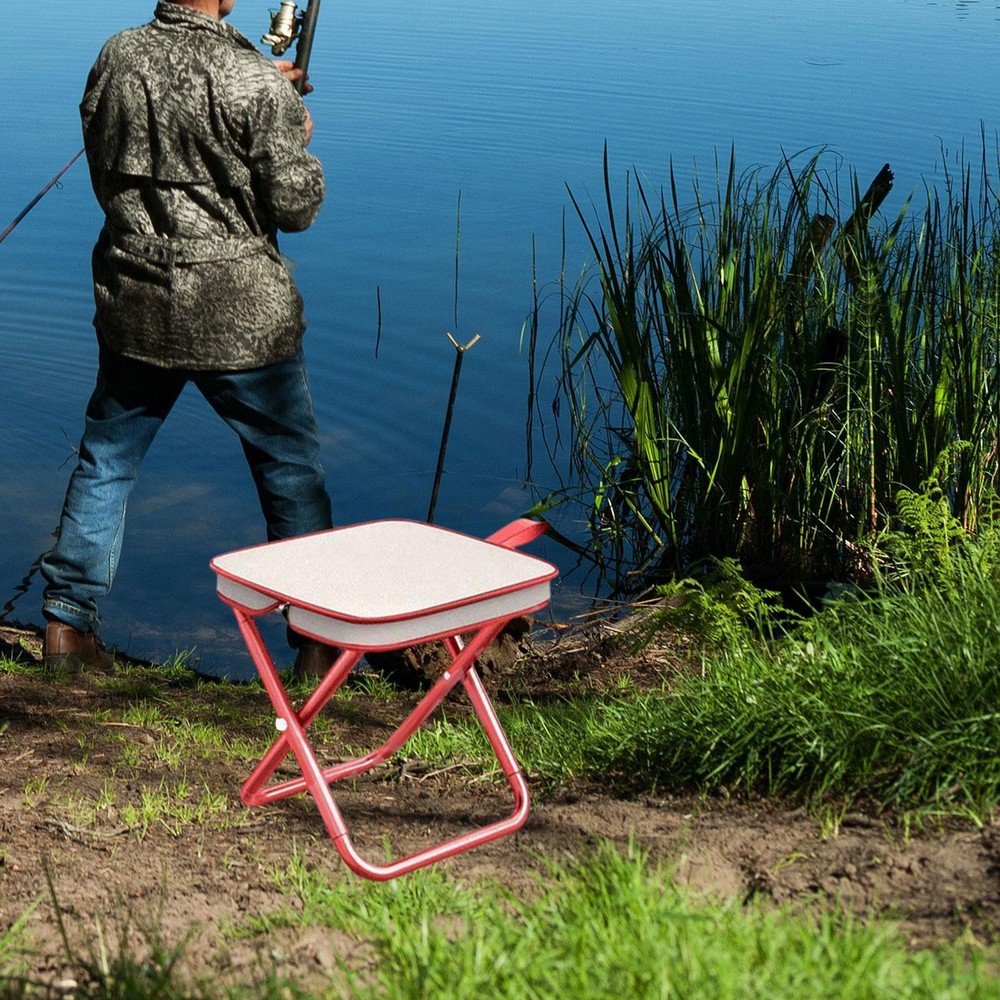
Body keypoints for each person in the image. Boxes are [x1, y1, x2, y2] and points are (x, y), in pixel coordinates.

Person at [40, 0, 336, 680]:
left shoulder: (116, 55)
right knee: (289, 470)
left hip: (136, 302)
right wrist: (295, 132)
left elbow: (106, 173)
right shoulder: (254, 82)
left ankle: (66, 628)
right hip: (243, 317)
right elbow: (297, 209)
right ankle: (317, 641)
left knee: (106, 461)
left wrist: (269, 106)